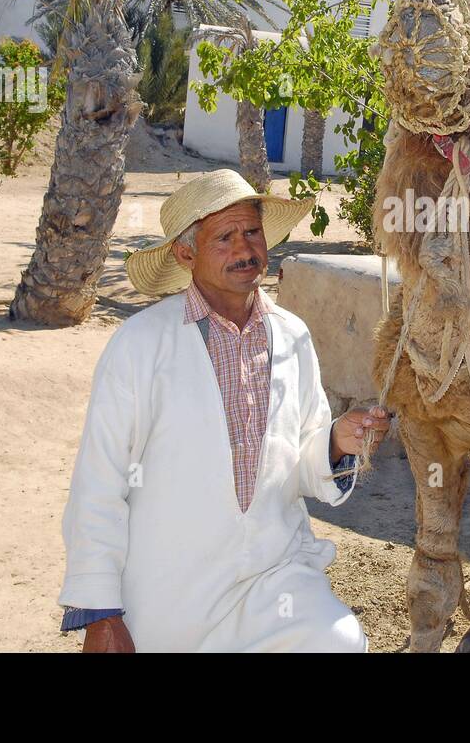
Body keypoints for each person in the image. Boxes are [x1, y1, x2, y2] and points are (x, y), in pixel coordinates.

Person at [57, 169, 391, 652]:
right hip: (167, 592)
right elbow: (99, 481)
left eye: (252, 232)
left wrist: (337, 442)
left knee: (337, 642)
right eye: (225, 237)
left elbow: (301, 462)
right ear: (185, 252)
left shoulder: (293, 334)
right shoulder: (140, 344)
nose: (245, 249)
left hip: (273, 576)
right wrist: (101, 613)